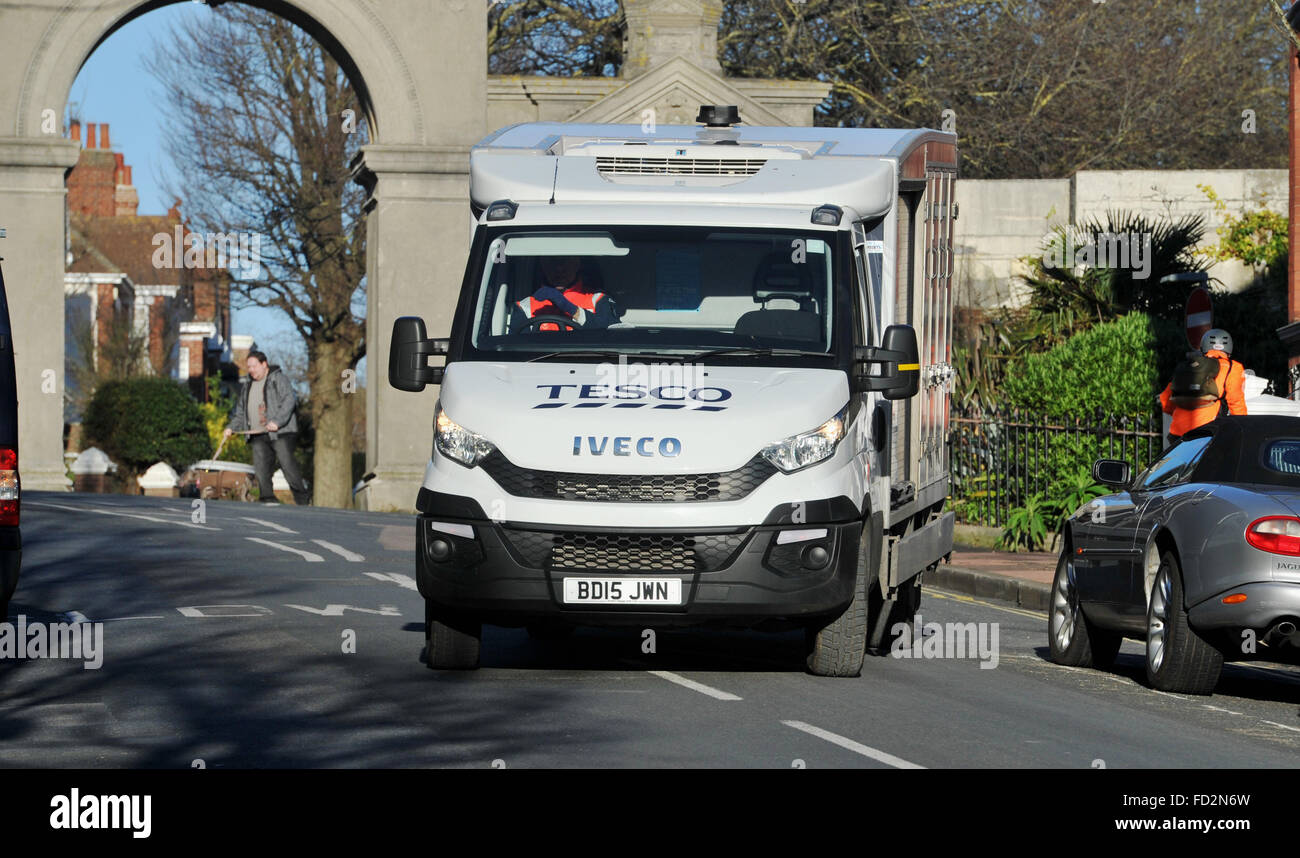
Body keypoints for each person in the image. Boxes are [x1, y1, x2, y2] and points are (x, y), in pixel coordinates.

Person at [224, 351, 310, 505]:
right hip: (257, 434)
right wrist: (231, 428)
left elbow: (289, 400)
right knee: (261, 468)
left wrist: (277, 421)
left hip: (281, 432)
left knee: (287, 465)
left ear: (264, 364)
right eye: (248, 367)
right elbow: (241, 412)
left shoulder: (278, 378)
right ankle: (267, 498)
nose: (251, 370)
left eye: (254, 366)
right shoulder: (247, 386)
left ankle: (302, 499)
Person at [1159, 328, 1246, 447]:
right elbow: (1236, 402)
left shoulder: (1190, 365)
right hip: (1206, 433)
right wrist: (1243, 429)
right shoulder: (1233, 368)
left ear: (1203, 347)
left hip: (1178, 435)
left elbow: (1165, 401)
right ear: (1229, 349)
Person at [510, 256, 618, 332]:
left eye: (566, 261)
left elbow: (613, 336)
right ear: (543, 265)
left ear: (577, 264)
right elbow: (515, 349)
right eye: (552, 262)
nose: (559, 269)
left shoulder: (598, 300)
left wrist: (571, 309)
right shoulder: (524, 306)